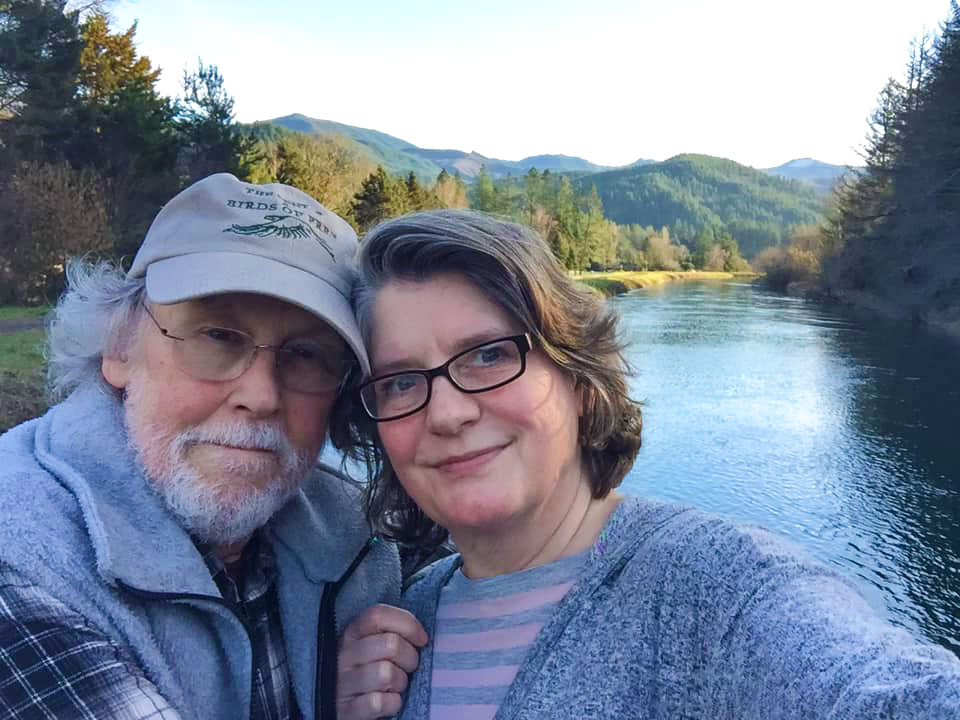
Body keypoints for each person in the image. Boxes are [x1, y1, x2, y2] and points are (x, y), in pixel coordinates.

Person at [331, 209, 960, 719]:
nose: (447, 413)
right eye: (401, 382)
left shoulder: (722, 589)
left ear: (579, 382)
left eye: (490, 355)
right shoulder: (403, 624)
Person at [0, 173, 409, 720]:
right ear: (119, 348)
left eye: (306, 354)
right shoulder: (23, 560)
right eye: (217, 336)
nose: (261, 396)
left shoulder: (350, 528)